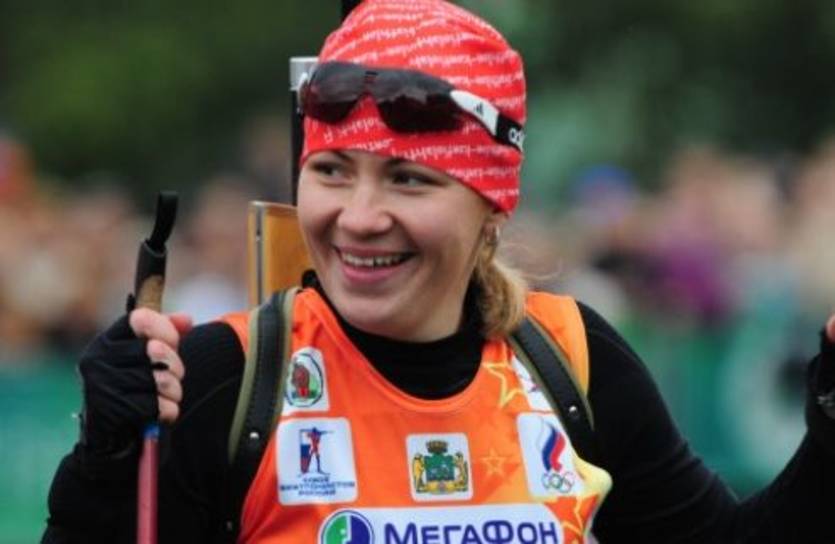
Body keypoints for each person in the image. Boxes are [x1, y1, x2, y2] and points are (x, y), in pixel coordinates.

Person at [42, 0, 835, 542]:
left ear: (490, 204)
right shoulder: (227, 374)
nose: (358, 216)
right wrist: (105, 462)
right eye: (331, 171)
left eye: (408, 180)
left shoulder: (570, 356)